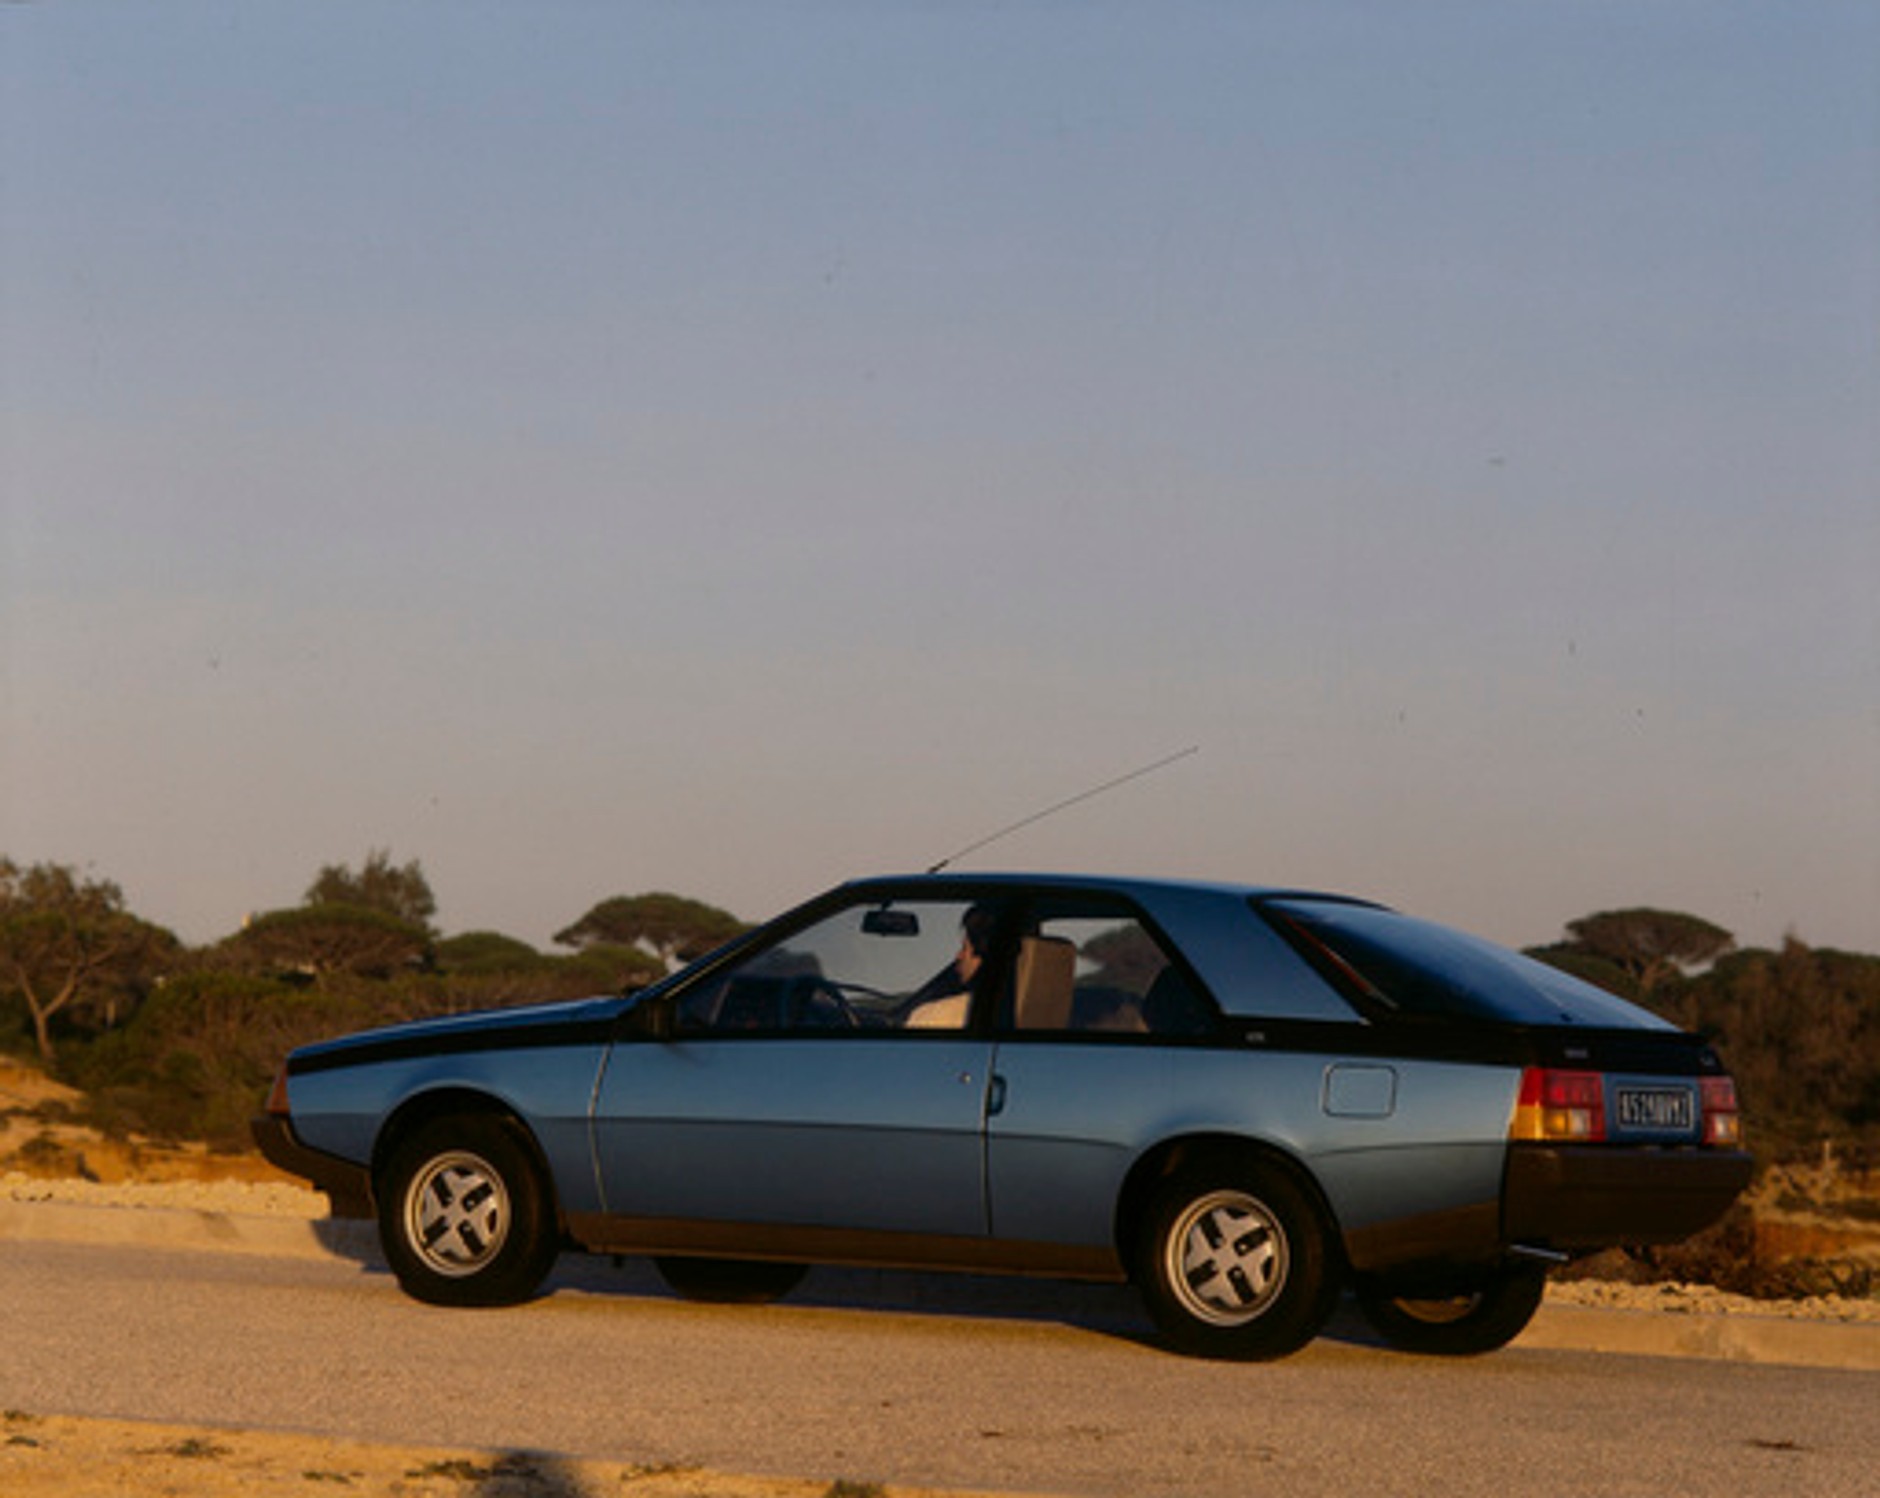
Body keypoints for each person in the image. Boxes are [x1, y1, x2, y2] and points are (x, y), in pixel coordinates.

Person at [902, 904, 996, 1029]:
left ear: (980, 955)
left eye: (964, 948)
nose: (958, 956)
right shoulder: (1022, 1013)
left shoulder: (930, 1018)